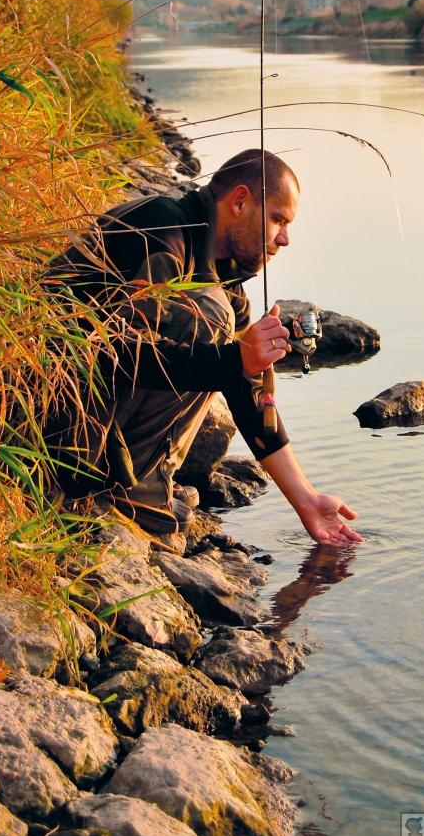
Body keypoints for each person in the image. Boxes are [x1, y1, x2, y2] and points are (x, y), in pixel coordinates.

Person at [43, 149, 362, 551]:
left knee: (220, 323)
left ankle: (139, 474)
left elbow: (246, 391)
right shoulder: (161, 229)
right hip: (46, 419)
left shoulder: (224, 277)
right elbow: (119, 351)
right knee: (211, 315)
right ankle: (124, 484)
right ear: (240, 201)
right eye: (278, 219)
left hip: (85, 412)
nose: (284, 238)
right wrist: (234, 358)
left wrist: (306, 499)